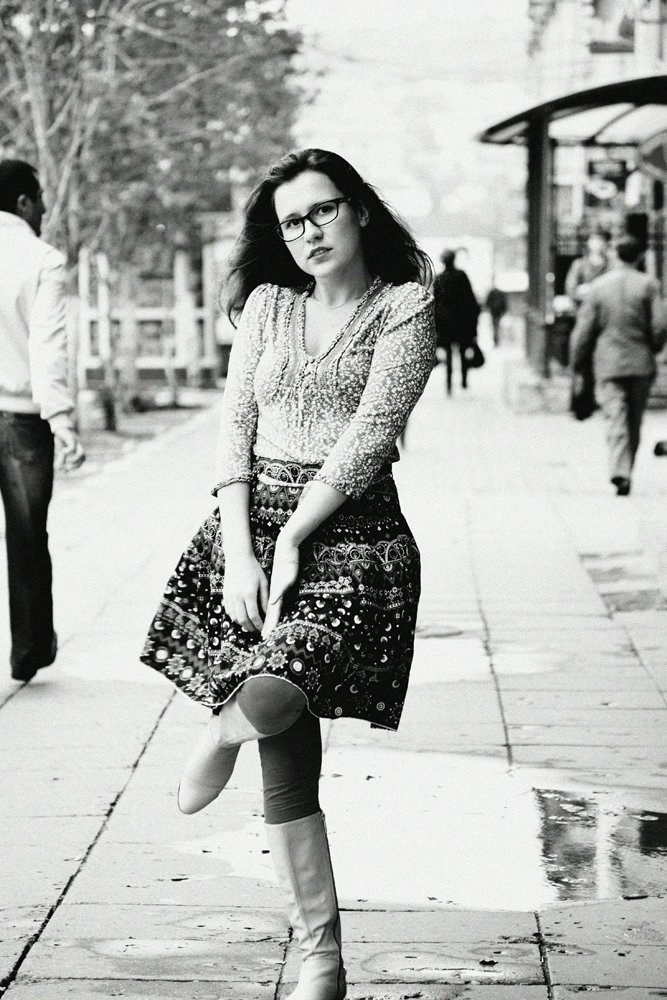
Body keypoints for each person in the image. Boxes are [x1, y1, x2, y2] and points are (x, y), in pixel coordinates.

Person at [141, 148, 435, 999]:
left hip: (353, 537)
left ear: (359, 210)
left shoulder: (405, 306)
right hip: (250, 524)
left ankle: (218, 728)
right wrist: (240, 550)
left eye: (323, 210)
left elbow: (370, 433)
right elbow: (233, 428)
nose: (309, 232)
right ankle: (322, 958)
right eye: (292, 222)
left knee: (274, 690)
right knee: (287, 758)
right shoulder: (268, 305)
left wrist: (298, 536)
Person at [0, 160, 85, 682]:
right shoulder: (41, 259)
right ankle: (29, 651)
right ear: (24, 202)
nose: (46, 209)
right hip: (23, 421)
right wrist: (62, 419)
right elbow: (47, 346)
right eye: (41, 199)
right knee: (27, 536)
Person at [571, 236, 666, 496]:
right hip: (641, 363)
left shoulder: (598, 287)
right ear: (640, 257)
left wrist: (578, 362)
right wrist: (652, 348)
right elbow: (659, 326)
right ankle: (625, 470)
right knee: (634, 420)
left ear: (614, 255)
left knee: (616, 416)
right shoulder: (649, 285)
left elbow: (584, 331)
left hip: (608, 362)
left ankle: (620, 470)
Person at [432, 248, 479, 394]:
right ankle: (464, 380)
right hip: (461, 321)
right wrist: (473, 324)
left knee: (448, 353)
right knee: (463, 350)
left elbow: (435, 303)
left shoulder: (439, 278)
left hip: (445, 323)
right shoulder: (461, 276)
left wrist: (436, 324)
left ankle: (448, 384)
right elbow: (471, 301)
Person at [565, 230, 610, 308]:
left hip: (605, 308)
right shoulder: (579, 264)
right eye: (593, 240)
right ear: (588, 243)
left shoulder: (610, 265)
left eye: (600, 240)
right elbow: (571, 291)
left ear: (605, 243)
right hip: (584, 308)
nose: (597, 244)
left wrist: (588, 289)